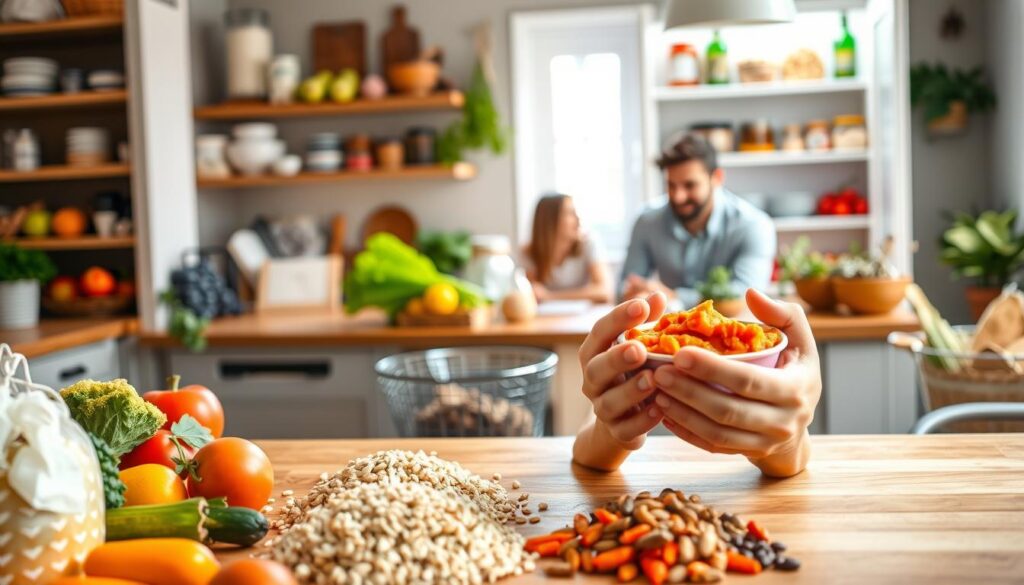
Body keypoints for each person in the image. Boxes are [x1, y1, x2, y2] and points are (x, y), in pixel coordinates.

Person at [572, 289, 822, 477]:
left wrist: (786, 444)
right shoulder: (649, 229)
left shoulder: (745, 229)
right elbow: (585, 450)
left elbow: (796, 457)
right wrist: (610, 429)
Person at [619, 134, 776, 306]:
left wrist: (674, 296)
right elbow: (625, 288)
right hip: (669, 330)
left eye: (690, 185)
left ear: (717, 178)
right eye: (671, 185)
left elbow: (747, 295)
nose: (678, 197)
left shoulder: (754, 225)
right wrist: (637, 296)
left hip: (730, 329)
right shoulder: (647, 221)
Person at [521, 194, 612, 303]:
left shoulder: (589, 244)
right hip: (547, 317)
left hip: (584, 316)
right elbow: (532, 295)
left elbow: (604, 291)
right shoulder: (528, 252)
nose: (578, 219)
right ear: (550, 220)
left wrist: (550, 296)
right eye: (570, 213)